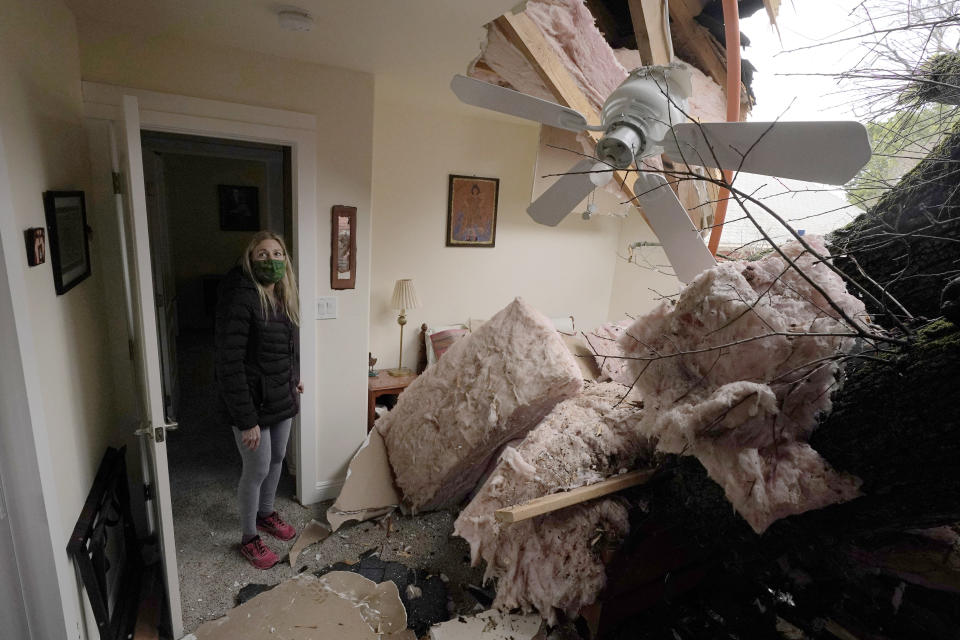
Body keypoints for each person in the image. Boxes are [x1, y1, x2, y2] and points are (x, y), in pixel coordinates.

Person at [215, 230, 303, 569]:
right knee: (256, 468)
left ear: (286, 261)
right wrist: (245, 419)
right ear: (250, 260)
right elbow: (230, 363)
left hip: (281, 395)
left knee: (278, 457)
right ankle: (249, 537)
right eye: (263, 254)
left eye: (277, 254)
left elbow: (287, 348)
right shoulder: (241, 297)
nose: (272, 260)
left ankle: (266, 513)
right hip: (251, 403)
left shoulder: (283, 295)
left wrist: (294, 379)